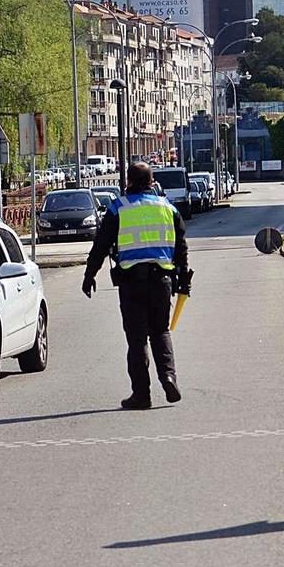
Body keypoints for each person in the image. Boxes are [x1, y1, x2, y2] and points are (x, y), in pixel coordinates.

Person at [83, 162, 190, 409]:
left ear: (128, 182)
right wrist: (183, 280)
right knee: (161, 332)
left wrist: (89, 276)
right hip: (162, 281)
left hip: (132, 284)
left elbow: (100, 245)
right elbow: (181, 248)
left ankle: (142, 395)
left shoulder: (118, 209)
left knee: (137, 339)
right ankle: (169, 378)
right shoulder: (168, 208)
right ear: (152, 183)